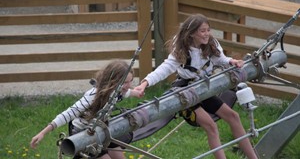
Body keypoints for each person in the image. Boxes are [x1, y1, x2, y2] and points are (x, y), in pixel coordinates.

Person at [134, 14, 258, 159]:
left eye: (208, 30)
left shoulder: (211, 44)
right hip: (186, 91)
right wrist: (145, 83)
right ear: (192, 33)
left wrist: (232, 61)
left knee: (233, 116)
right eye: (202, 31)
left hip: (204, 87)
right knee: (211, 126)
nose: (207, 34)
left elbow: (221, 59)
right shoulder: (181, 49)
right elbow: (165, 69)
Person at [30, 60, 143, 159]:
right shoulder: (94, 95)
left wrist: (136, 93)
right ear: (112, 81)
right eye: (125, 82)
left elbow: (126, 92)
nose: (129, 85)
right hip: (83, 132)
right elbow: (69, 113)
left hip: (100, 130)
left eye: (131, 81)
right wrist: (43, 133)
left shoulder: (118, 91)